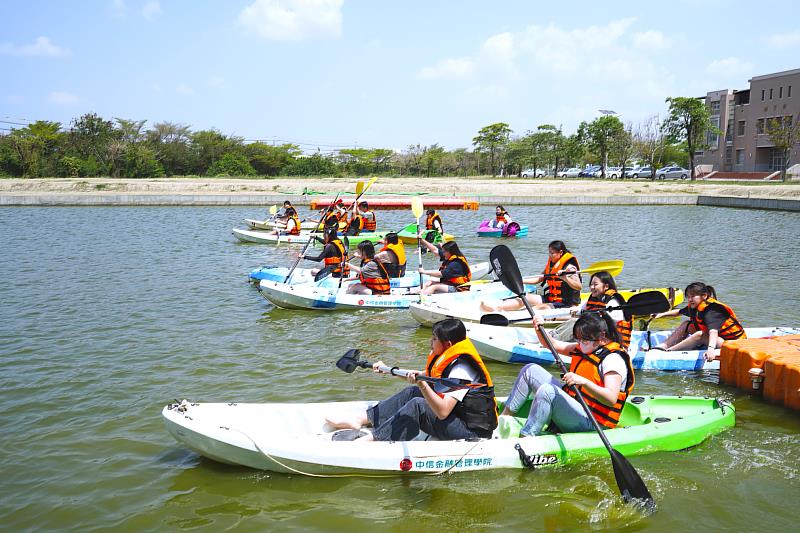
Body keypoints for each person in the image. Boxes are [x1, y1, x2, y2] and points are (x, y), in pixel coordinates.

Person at [326, 319, 498, 442]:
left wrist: (422, 385)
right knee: (413, 391)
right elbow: (421, 376)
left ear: (447, 344)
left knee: (418, 403)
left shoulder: (462, 371)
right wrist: (388, 370)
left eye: (434, 339)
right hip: (458, 418)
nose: (430, 342)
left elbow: (443, 412)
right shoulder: (449, 359)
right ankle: (362, 419)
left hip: (470, 432)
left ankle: (374, 439)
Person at [501, 312, 634, 436]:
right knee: (530, 370)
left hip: (594, 423)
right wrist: (538, 328)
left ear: (601, 337)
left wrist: (583, 382)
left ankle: (527, 437)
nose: (580, 345)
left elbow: (611, 398)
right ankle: (504, 419)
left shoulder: (613, 359)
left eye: (585, 341)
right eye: (578, 340)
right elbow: (551, 344)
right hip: (576, 407)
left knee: (548, 391)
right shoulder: (585, 347)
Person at [653, 282, 746, 361]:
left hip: (733, 343)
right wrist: (661, 314)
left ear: (704, 296)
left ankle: (668, 352)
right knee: (687, 324)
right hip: (720, 339)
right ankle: (663, 346)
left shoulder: (712, 310)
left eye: (693, 296)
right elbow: (679, 312)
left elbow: (713, 331)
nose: (689, 299)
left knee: (700, 335)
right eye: (688, 297)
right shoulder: (696, 306)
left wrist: (710, 349)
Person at [480, 240, 581, 312]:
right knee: (525, 298)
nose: (550, 255)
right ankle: (498, 308)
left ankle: (523, 315)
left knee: (538, 308)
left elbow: (578, 286)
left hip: (566, 303)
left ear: (560, 252)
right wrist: (520, 280)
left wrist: (565, 278)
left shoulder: (570, 267)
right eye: (549, 252)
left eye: (552, 253)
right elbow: (539, 278)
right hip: (551, 299)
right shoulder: (552, 264)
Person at [551, 271, 631, 349]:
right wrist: (555, 317)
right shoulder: (593, 299)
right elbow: (577, 311)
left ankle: (552, 341)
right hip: (597, 336)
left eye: (595, 284)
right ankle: (551, 337)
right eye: (591, 284)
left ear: (606, 286)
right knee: (574, 320)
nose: (592, 287)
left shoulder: (613, 302)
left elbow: (605, 325)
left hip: (613, 342)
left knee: (577, 322)